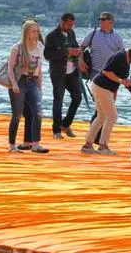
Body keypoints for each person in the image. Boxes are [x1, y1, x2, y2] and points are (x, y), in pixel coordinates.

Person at [81, 41, 131, 156]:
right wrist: (121, 81)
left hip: (103, 87)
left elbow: (120, 80)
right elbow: (106, 71)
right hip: (101, 86)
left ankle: (88, 145)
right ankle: (103, 146)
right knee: (112, 116)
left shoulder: (128, 59)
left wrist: (117, 91)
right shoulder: (121, 56)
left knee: (102, 116)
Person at [79, 12, 125, 143]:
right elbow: (82, 47)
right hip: (96, 75)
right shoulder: (93, 34)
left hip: (111, 77)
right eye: (100, 19)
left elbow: (122, 55)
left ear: (111, 22)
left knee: (106, 108)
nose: (101, 21)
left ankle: (96, 137)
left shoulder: (117, 37)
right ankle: (95, 138)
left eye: (104, 19)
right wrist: (81, 61)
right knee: (100, 107)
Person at [7, 20, 48, 153]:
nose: (36, 34)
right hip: (20, 81)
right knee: (17, 115)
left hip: (33, 82)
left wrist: (40, 87)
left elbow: (39, 68)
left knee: (38, 113)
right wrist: (13, 84)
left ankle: (35, 144)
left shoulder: (40, 47)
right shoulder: (17, 48)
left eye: (37, 31)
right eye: (33, 31)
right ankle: (12, 145)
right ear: (26, 33)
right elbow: (10, 68)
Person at [44, 13, 83, 140]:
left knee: (77, 97)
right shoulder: (51, 36)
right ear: (62, 21)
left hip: (72, 72)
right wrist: (66, 52)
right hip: (58, 73)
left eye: (72, 25)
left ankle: (65, 124)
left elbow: (75, 46)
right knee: (58, 101)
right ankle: (56, 130)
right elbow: (47, 55)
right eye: (69, 24)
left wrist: (78, 53)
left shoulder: (72, 33)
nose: (71, 27)